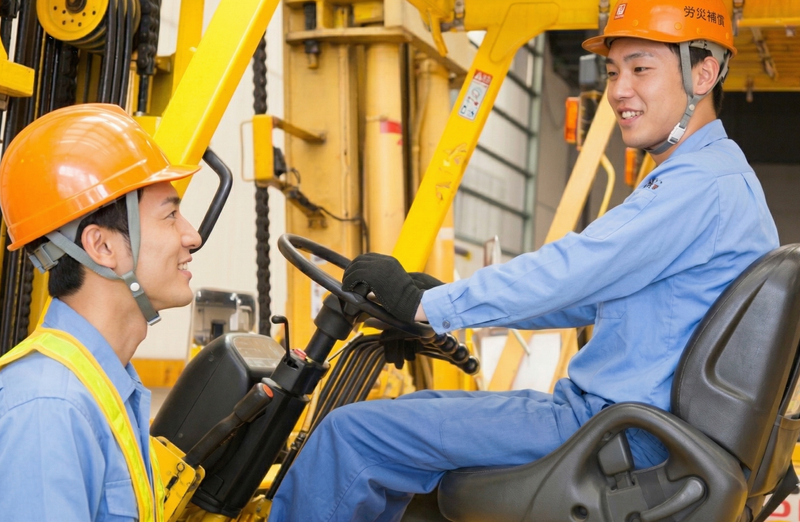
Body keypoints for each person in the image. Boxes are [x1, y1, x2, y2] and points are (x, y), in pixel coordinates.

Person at [268, 1, 779, 521]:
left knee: (351, 436)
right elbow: (588, 297)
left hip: (616, 433)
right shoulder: (716, 178)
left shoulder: (697, 186)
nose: (619, 90)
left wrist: (427, 306)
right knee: (405, 421)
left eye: (640, 68)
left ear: (703, 74)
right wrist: (441, 299)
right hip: (633, 429)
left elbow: (574, 268)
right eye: (612, 72)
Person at [0, 104, 202, 521]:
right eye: (170, 216)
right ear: (102, 247)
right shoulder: (50, 407)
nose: (192, 236)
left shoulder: (106, 387)